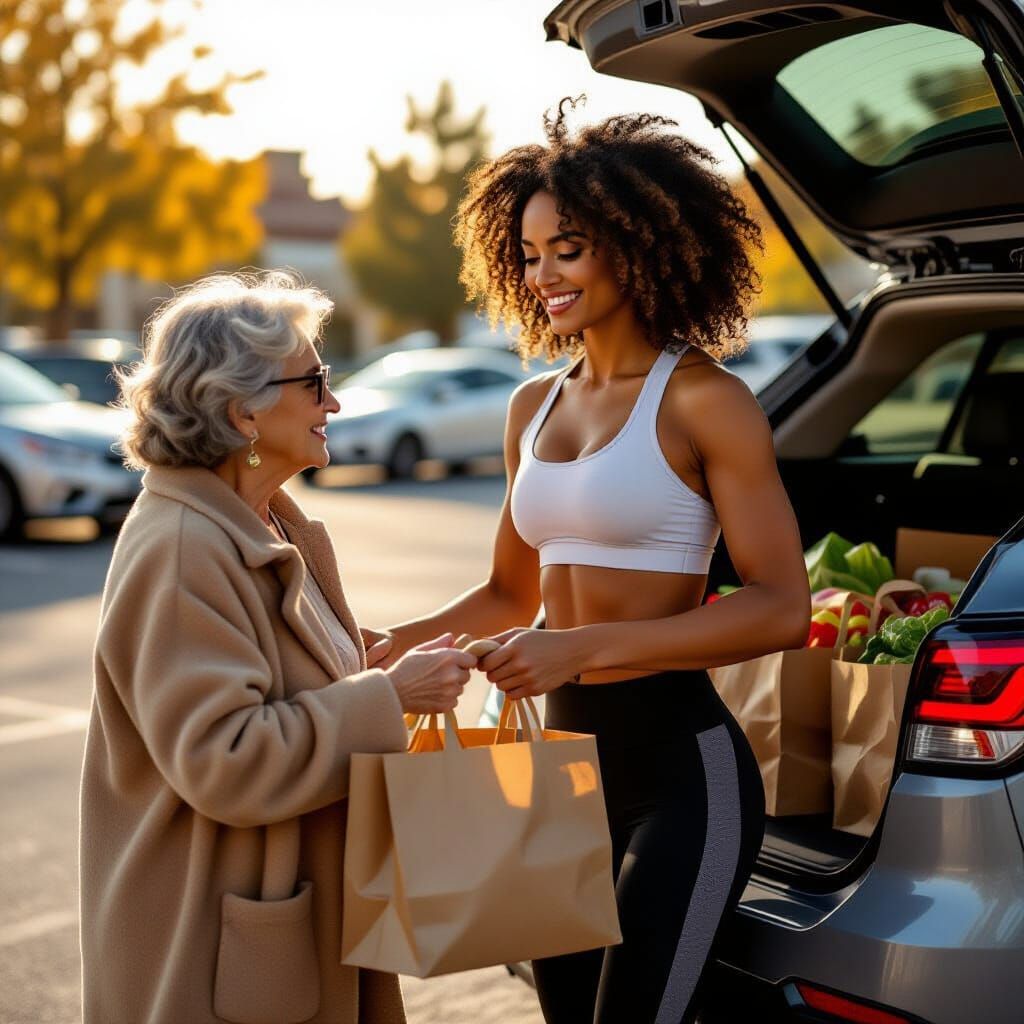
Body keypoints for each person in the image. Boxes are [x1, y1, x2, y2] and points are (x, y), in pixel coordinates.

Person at [365, 102, 811, 1023]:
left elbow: (779, 607)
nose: (543, 276)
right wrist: (371, 647)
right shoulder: (532, 404)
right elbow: (506, 592)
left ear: (639, 242)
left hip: (683, 777)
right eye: (528, 255)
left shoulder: (706, 401)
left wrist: (579, 649)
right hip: (557, 776)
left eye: (566, 248)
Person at [80, 271, 476, 1024]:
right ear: (244, 411)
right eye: (316, 381)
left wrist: (359, 665)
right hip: (216, 954)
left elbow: (273, 687)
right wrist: (390, 698)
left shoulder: (261, 521)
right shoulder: (184, 546)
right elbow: (224, 759)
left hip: (279, 930)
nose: (335, 402)